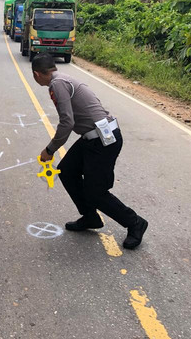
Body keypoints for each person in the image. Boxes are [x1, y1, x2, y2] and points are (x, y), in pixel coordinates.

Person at [32, 54, 148, 249]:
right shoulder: (63, 79)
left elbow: (67, 123)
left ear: (36, 74)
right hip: (93, 137)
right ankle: (90, 217)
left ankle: (135, 222)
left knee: (96, 192)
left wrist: (50, 150)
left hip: (103, 142)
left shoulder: (57, 84)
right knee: (68, 171)